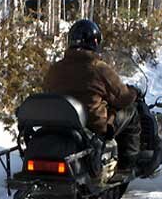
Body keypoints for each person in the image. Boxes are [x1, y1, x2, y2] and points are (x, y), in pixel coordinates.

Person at [43, 19, 142, 175]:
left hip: (60, 124)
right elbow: (123, 97)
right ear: (95, 41)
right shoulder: (98, 68)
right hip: (92, 125)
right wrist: (134, 93)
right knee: (132, 112)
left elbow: (47, 91)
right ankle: (127, 165)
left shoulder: (55, 68)